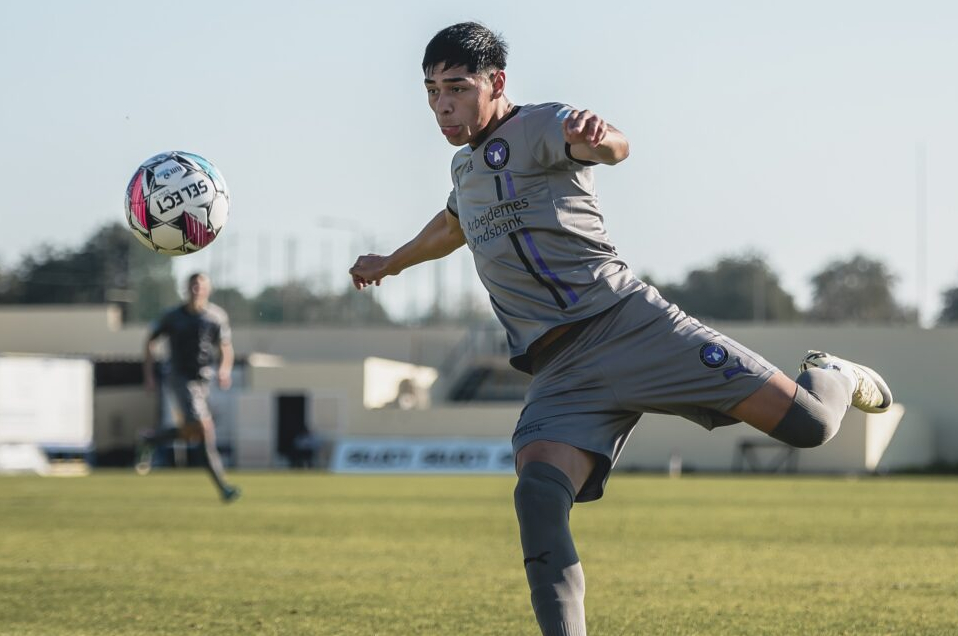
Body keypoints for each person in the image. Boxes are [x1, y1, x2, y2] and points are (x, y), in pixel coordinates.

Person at [348, 22, 893, 635]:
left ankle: (831, 373)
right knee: (537, 495)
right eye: (431, 91)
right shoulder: (464, 169)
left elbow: (613, 147)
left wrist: (600, 138)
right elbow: (451, 227)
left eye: (457, 88)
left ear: (496, 82)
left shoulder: (542, 124)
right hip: (560, 371)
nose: (442, 105)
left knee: (810, 425)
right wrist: (391, 262)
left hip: (630, 326)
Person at [140, 272, 241, 503]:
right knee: (205, 429)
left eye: (201, 286)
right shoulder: (173, 316)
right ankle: (223, 487)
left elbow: (226, 347)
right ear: (187, 289)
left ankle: (151, 439)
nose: (197, 289)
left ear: (208, 290)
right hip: (180, 378)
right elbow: (150, 340)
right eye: (193, 285)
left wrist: (225, 370)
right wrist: (149, 374)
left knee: (195, 433)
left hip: (203, 380)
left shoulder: (216, 316)